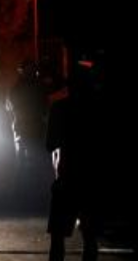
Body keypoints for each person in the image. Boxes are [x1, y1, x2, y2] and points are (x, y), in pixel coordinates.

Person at [46, 61, 106, 261]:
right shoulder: (98, 110)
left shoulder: (60, 109)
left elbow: (50, 143)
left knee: (58, 238)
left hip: (66, 178)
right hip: (91, 178)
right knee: (90, 237)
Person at [7, 61, 48, 168]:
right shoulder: (19, 88)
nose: (33, 72)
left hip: (33, 126)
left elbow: (44, 104)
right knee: (29, 159)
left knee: (31, 159)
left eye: (34, 70)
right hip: (27, 127)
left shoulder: (36, 86)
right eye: (30, 70)